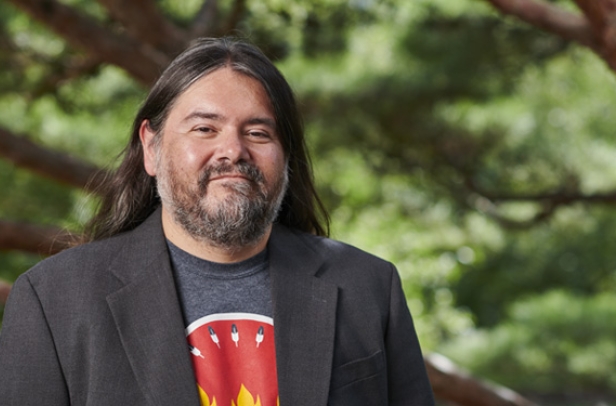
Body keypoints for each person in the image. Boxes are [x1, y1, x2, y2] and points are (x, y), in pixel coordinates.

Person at [0, 38, 434, 406]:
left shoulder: (369, 287)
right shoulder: (54, 299)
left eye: (258, 133)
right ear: (151, 148)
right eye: (205, 129)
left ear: (286, 157)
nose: (233, 151)